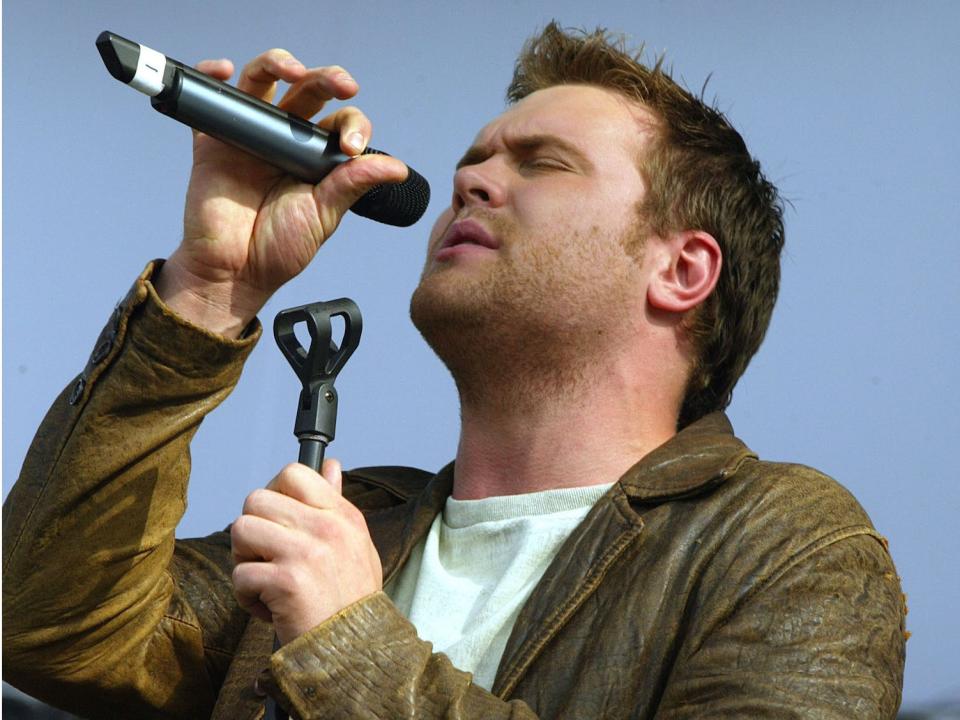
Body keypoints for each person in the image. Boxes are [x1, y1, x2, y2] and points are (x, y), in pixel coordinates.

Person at [3, 23, 906, 719]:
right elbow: (42, 624)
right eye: (473, 159)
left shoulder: (784, 543)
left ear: (683, 270)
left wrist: (350, 645)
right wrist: (208, 290)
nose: (471, 181)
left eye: (541, 164)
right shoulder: (359, 524)